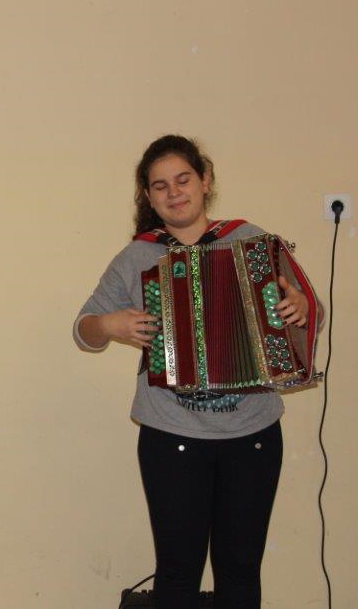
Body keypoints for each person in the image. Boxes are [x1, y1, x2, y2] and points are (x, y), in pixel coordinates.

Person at [73, 135, 311, 608]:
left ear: (205, 181)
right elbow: (84, 330)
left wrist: (299, 306)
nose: (174, 192)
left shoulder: (250, 239)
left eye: (183, 180)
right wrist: (110, 324)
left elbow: (307, 308)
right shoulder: (137, 257)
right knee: (177, 574)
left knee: (240, 571)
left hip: (253, 433)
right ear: (148, 196)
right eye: (160, 186)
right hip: (171, 435)